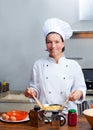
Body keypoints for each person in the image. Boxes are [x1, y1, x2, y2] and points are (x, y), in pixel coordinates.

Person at [24, 18, 86, 111]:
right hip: (45, 113)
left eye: (57, 42)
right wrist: (31, 92)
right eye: (49, 42)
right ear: (46, 44)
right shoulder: (38, 65)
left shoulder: (74, 65)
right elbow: (35, 88)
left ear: (63, 43)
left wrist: (78, 93)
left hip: (67, 114)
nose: (53, 46)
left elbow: (80, 88)